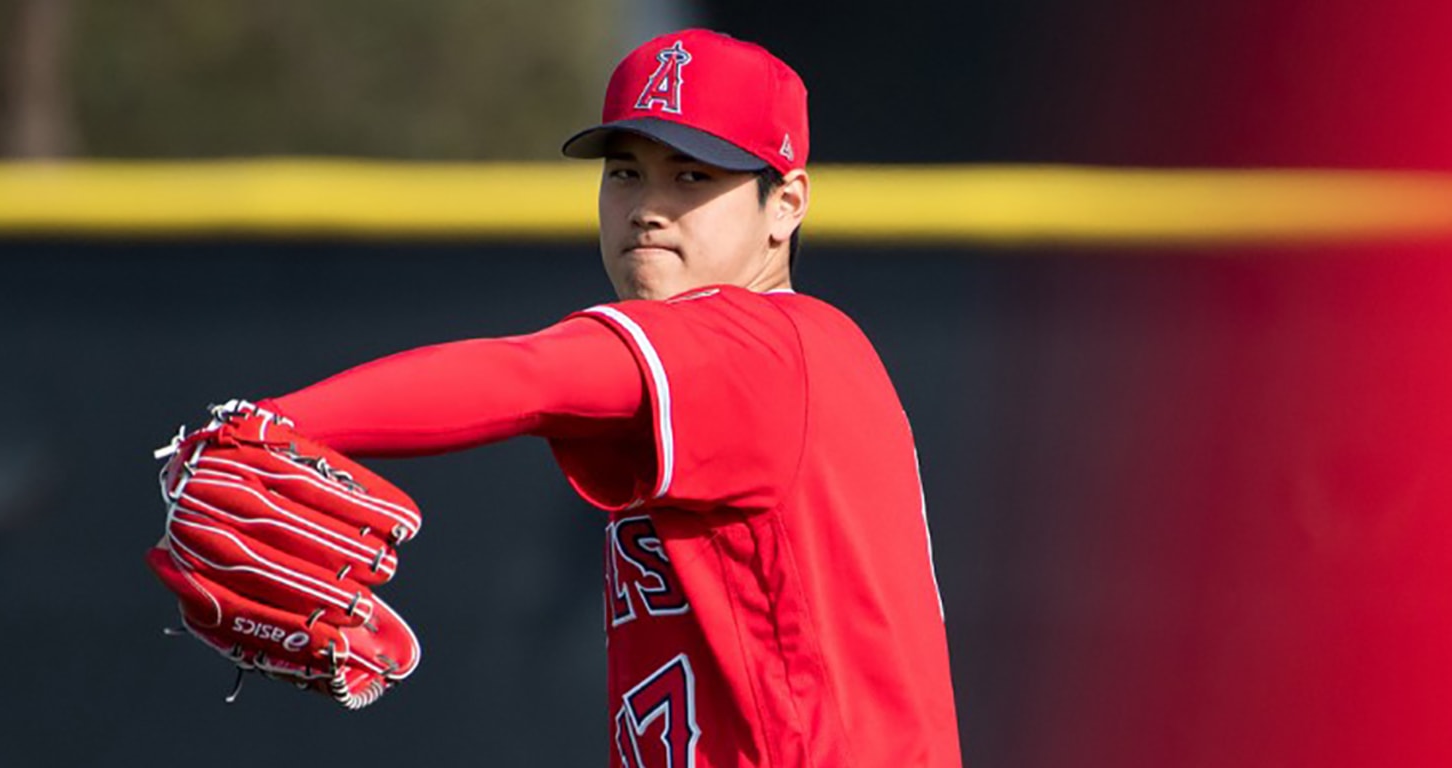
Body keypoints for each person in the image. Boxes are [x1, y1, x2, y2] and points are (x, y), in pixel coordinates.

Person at [258, 28, 962, 767]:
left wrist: (277, 425)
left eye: (692, 177)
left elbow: (528, 376)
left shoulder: (760, 347)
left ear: (785, 204)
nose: (647, 207)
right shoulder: (781, 359)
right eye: (626, 173)